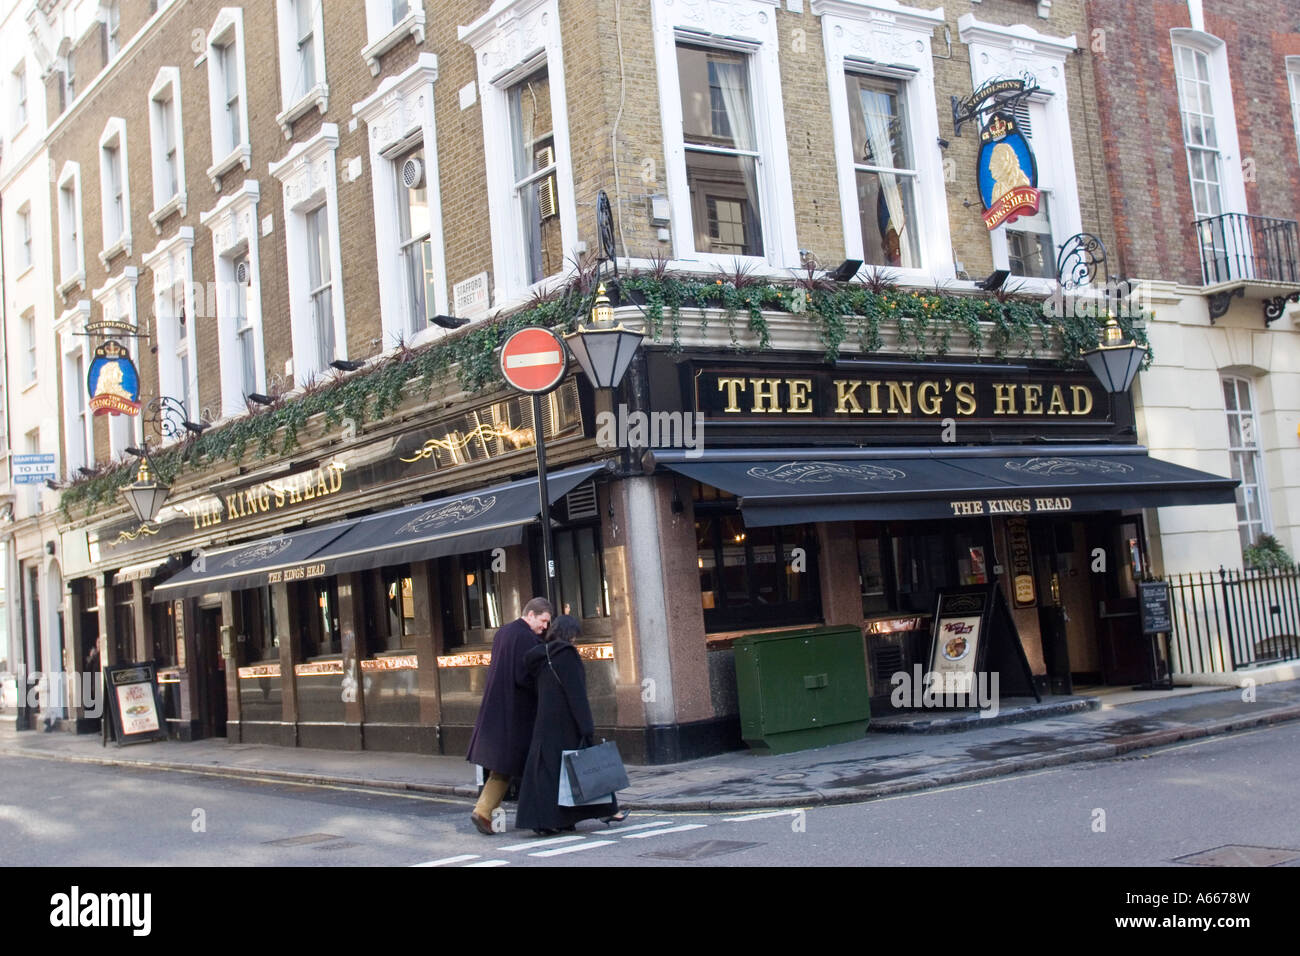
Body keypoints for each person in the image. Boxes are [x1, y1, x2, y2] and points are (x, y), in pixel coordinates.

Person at [515, 615, 629, 834]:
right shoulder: (567, 655)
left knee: (548, 773)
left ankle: (549, 820)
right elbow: (576, 695)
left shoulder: (539, 655)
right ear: (570, 634)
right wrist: (587, 727)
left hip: (543, 722)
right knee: (585, 767)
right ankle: (608, 810)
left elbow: (525, 684)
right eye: (576, 634)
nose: (577, 639)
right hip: (566, 722)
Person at [466, 597, 553, 835]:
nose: (544, 627)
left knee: (504, 766)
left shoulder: (504, 632)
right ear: (531, 614)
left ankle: (483, 811)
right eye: (543, 621)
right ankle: (540, 817)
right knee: (530, 766)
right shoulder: (526, 638)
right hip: (517, 712)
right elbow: (524, 676)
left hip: (497, 708)